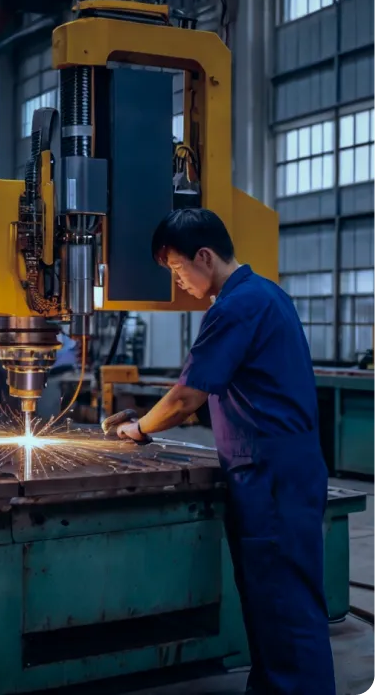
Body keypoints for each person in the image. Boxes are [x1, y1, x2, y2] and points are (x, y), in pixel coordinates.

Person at [113, 208, 336, 695]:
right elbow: (223, 391)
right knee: (273, 605)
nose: (177, 282)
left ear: (205, 256)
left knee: (286, 608)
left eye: (177, 269)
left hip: (272, 479)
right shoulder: (266, 294)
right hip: (276, 473)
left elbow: (186, 396)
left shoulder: (234, 307)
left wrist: (139, 429)